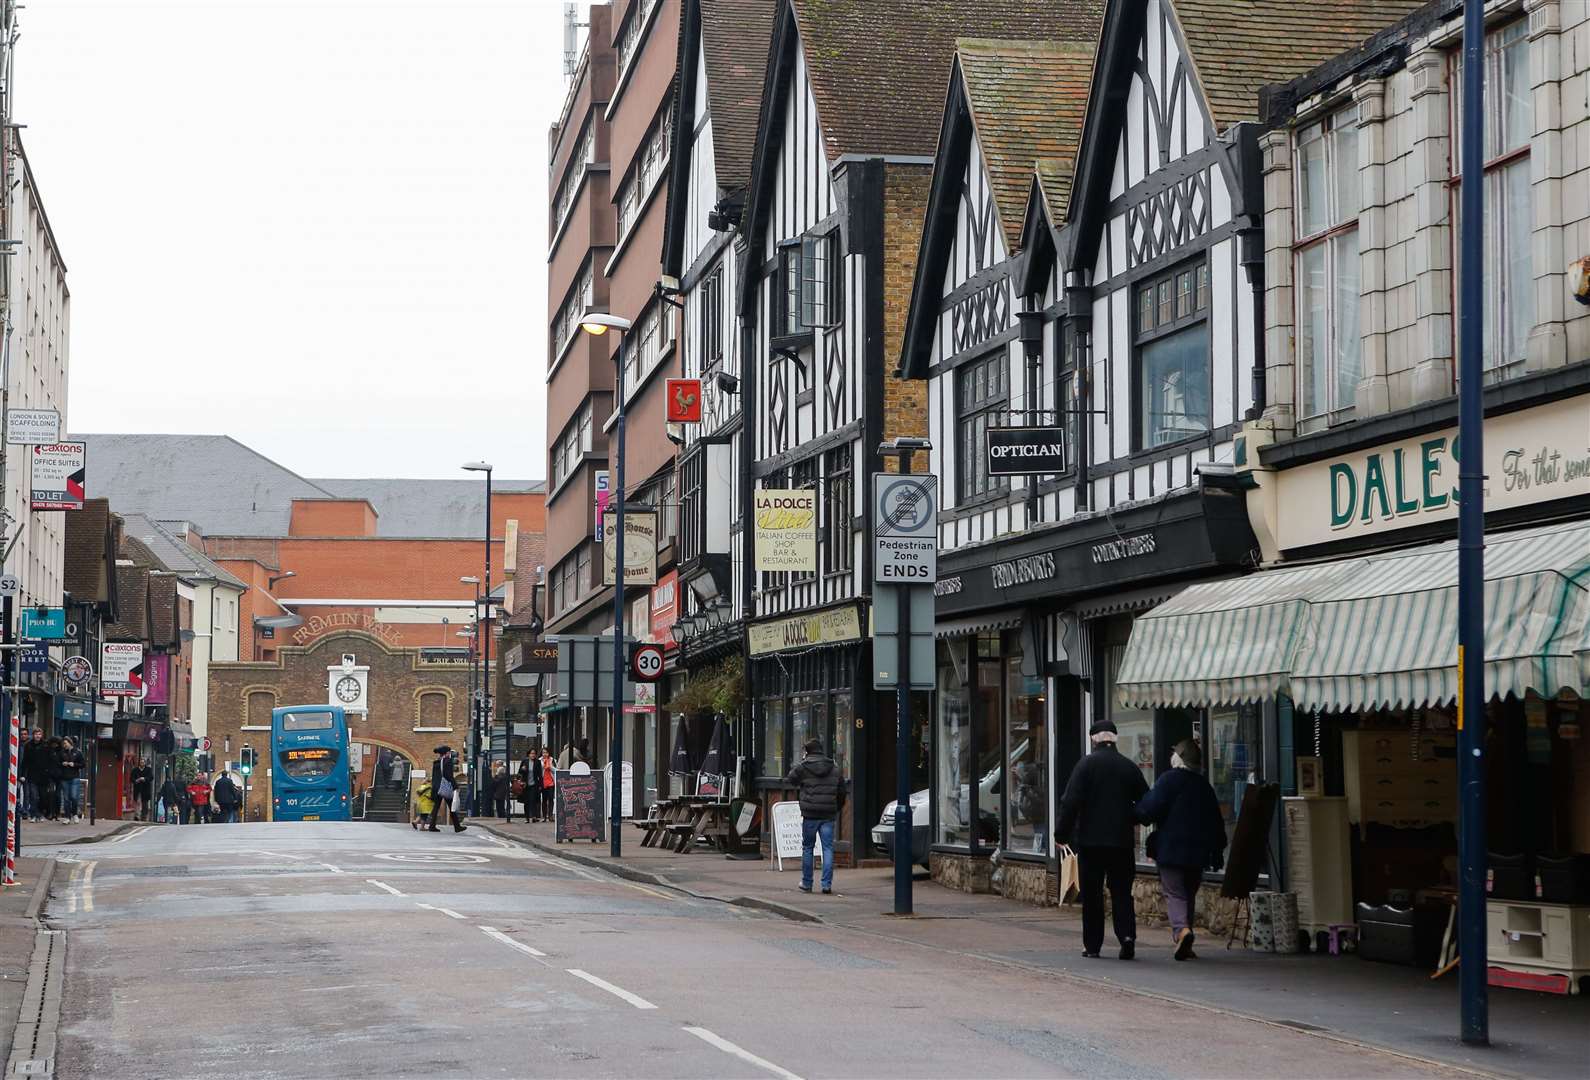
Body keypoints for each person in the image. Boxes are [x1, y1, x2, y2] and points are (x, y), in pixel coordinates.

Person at [1056, 719, 1150, 960]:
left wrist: (1062, 834)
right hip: (1121, 841)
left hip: (1091, 841)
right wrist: (1135, 818)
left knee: (1093, 894)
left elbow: (1070, 802)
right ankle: (1127, 937)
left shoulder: (1085, 765)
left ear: (1093, 739)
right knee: (1121, 891)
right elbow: (1147, 802)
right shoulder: (1129, 767)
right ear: (1114, 739)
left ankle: (1093, 945)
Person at [1135, 739, 1228, 961]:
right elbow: (1216, 822)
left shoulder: (1168, 780)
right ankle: (1186, 938)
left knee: (1175, 892)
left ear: (1177, 759)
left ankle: (1181, 931)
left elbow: (1149, 810)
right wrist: (1217, 848)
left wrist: (1135, 813)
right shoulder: (1204, 785)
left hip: (1171, 848)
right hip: (1198, 852)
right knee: (1188, 893)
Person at [784, 738, 844, 895]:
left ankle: (807, 883)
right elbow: (842, 791)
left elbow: (791, 779)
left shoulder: (803, 767)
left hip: (810, 813)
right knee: (828, 848)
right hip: (828, 814)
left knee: (808, 848)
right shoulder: (834, 767)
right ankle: (826, 884)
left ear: (807, 752)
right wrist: (836, 808)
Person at [427, 746, 456, 831]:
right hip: (444, 787)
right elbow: (449, 776)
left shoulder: (436, 762)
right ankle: (457, 826)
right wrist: (455, 786)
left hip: (436, 787)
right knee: (451, 807)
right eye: (449, 752)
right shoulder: (447, 761)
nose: (450, 753)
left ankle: (432, 826)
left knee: (436, 807)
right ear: (447, 753)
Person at [57, 737, 85, 822]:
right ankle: (67, 817)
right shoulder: (61, 753)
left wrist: (74, 764)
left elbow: (83, 764)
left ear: (70, 743)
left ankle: (75, 814)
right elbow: (57, 763)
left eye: (65, 743)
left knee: (74, 797)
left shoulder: (78, 752)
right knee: (66, 798)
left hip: (74, 778)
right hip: (64, 778)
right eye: (63, 744)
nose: (64, 745)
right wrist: (62, 763)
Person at [18, 729, 44, 821]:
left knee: (40, 796)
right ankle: (31, 814)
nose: (37, 736)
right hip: (30, 774)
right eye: (36, 734)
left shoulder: (45, 745)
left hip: (42, 775)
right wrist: (22, 774)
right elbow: (25, 761)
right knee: (32, 795)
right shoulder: (27, 746)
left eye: (39, 734)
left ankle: (39, 814)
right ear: (33, 735)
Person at [539, 748, 556, 821]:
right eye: (543, 753)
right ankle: (544, 816)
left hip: (551, 782)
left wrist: (550, 766)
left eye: (546, 752)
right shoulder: (539, 761)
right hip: (543, 782)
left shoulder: (553, 760)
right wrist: (544, 765)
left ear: (549, 753)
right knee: (544, 799)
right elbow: (538, 770)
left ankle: (550, 815)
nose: (545, 754)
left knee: (551, 798)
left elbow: (556, 770)